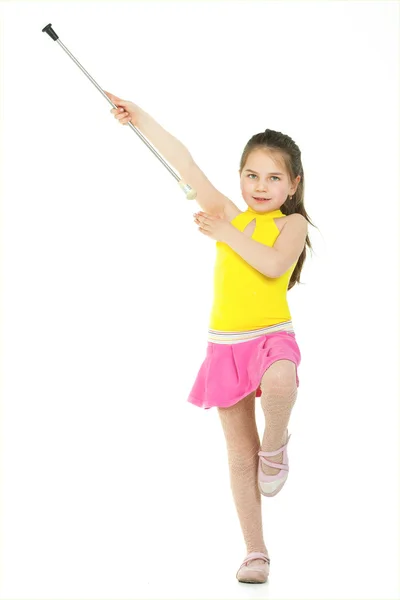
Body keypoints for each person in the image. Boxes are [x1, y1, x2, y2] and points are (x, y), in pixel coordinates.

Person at [105, 91, 315, 584]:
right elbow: (184, 161)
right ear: (240, 176)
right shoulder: (227, 211)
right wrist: (139, 116)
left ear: (293, 184)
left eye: (273, 177)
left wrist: (224, 233)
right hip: (225, 344)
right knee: (238, 456)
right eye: (251, 175)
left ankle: (277, 443)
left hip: (270, 336)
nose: (260, 186)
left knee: (282, 381)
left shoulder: (291, 224)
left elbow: (271, 264)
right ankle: (255, 551)